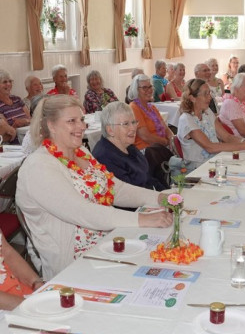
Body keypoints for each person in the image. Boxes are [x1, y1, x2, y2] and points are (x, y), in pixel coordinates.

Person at [17, 95, 172, 276]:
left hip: (109, 240)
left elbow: (115, 188)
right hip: (76, 262)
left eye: (82, 119)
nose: (81, 126)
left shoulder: (81, 152)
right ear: (51, 125)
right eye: (71, 121)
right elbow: (82, 212)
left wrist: (159, 198)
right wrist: (143, 220)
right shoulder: (38, 167)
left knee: (168, 254)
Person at [176, 79, 245, 166]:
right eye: (205, 94)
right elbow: (210, 147)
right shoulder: (186, 119)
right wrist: (244, 146)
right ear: (192, 98)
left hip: (215, 161)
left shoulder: (207, 112)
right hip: (198, 167)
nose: (210, 97)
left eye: (209, 93)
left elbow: (227, 137)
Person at [92, 102, 166, 191]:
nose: (133, 128)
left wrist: (168, 194)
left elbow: (148, 178)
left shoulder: (128, 146)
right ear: (110, 130)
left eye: (134, 122)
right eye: (126, 124)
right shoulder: (104, 158)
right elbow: (128, 196)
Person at [128, 74, 175, 184]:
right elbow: (145, 136)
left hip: (159, 146)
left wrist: (172, 139)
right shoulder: (133, 107)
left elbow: (165, 127)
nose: (149, 90)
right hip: (145, 150)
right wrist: (165, 142)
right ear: (136, 90)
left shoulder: (151, 107)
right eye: (144, 88)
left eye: (150, 87)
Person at [217, 73, 245, 137]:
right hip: (242, 142)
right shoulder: (230, 103)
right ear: (236, 87)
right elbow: (243, 131)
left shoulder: (243, 102)